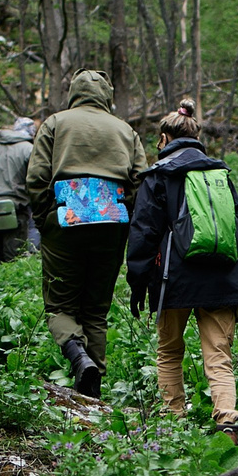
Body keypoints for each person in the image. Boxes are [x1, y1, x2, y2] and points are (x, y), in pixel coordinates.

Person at [127, 117, 238, 436]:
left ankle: (174, 419)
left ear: (165, 138)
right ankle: (227, 419)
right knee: (218, 353)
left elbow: (143, 232)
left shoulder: (158, 176)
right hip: (223, 277)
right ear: (196, 137)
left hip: (174, 277)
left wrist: (138, 283)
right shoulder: (220, 174)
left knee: (170, 349)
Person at [24, 70, 147, 397]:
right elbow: (139, 183)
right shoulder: (126, 130)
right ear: (107, 96)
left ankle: (78, 357)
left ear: (74, 93)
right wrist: (125, 222)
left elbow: (36, 179)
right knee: (95, 310)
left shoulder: (55, 123)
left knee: (60, 307)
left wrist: (44, 219)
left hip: (65, 220)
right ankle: (92, 395)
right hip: (111, 223)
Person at [0, 116, 39, 261]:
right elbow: (37, 179)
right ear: (32, 134)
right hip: (14, 209)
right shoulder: (29, 149)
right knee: (14, 258)